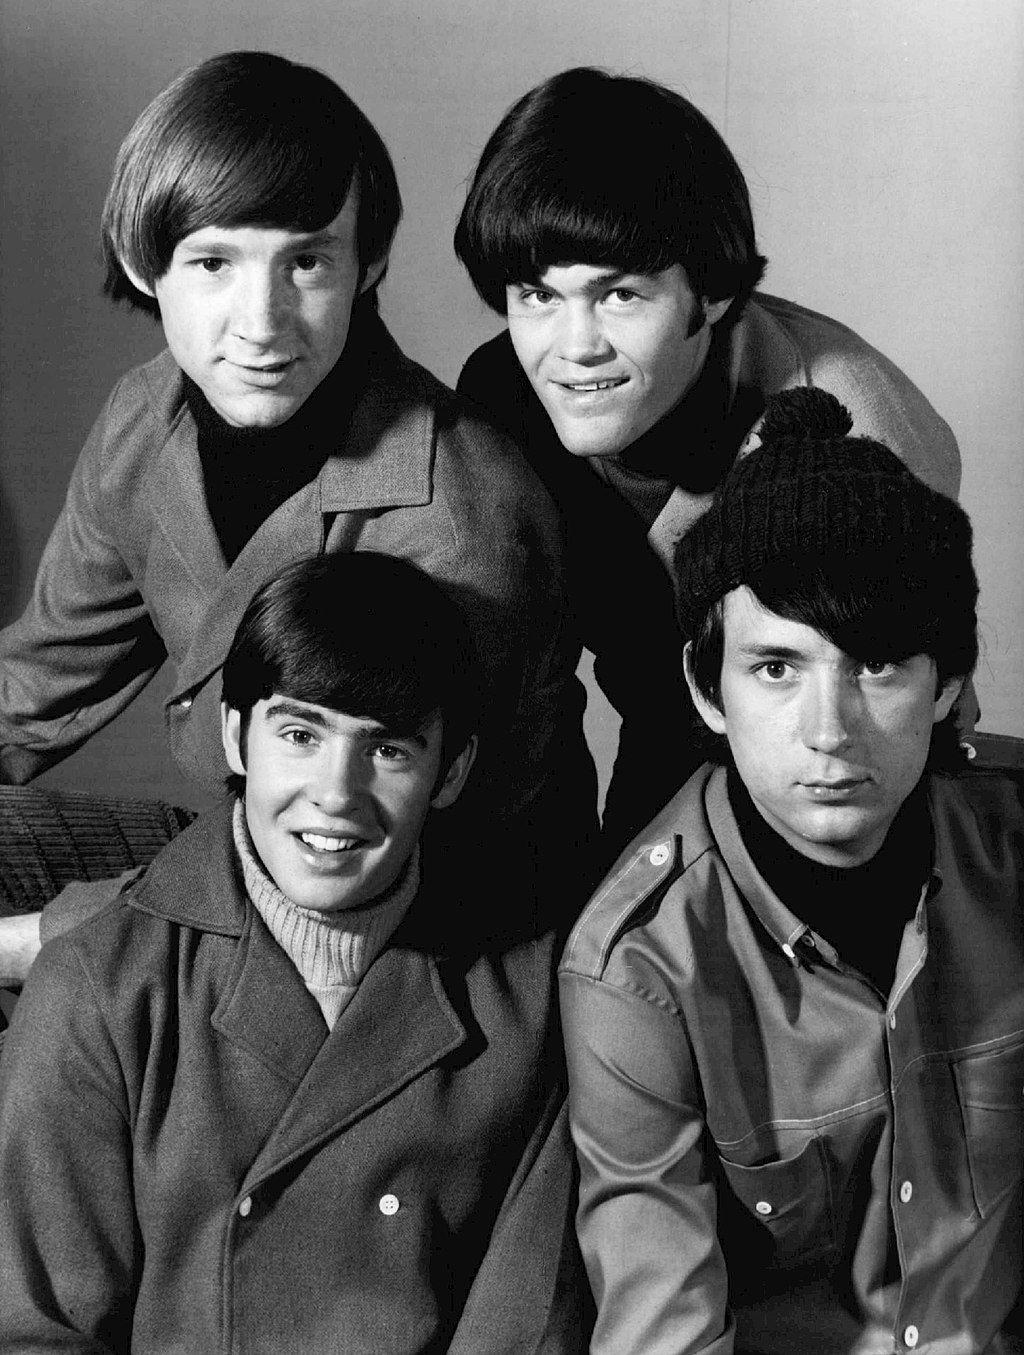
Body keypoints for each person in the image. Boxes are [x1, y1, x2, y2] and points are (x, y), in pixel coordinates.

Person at [0, 51, 594, 987]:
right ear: (141, 264)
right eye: (213, 263)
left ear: (371, 264)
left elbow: (366, 861)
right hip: (260, 850)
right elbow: (33, 689)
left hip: (426, 938)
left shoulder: (457, 516)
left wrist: (36, 938)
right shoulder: (143, 421)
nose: (261, 323)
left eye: (306, 261)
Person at [0, 551, 590, 1353]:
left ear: (451, 772)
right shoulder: (98, 988)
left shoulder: (535, 997)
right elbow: (36, 1331)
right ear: (237, 737)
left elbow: (524, 1329)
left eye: (388, 750)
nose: (336, 793)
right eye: (300, 732)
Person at [557, 388, 1023, 1352]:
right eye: (777, 667)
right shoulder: (635, 969)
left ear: (949, 682)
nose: (828, 730)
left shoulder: (1013, 849)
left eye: (880, 664)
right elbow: (662, 1329)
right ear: (704, 687)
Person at [454, 66, 964, 853]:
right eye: (538, 296)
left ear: (714, 293)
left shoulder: (858, 436)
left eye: (621, 294)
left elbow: (880, 725)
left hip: (831, 775)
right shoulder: (500, 397)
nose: (574, 348)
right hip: (660, 724)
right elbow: (521, 695)